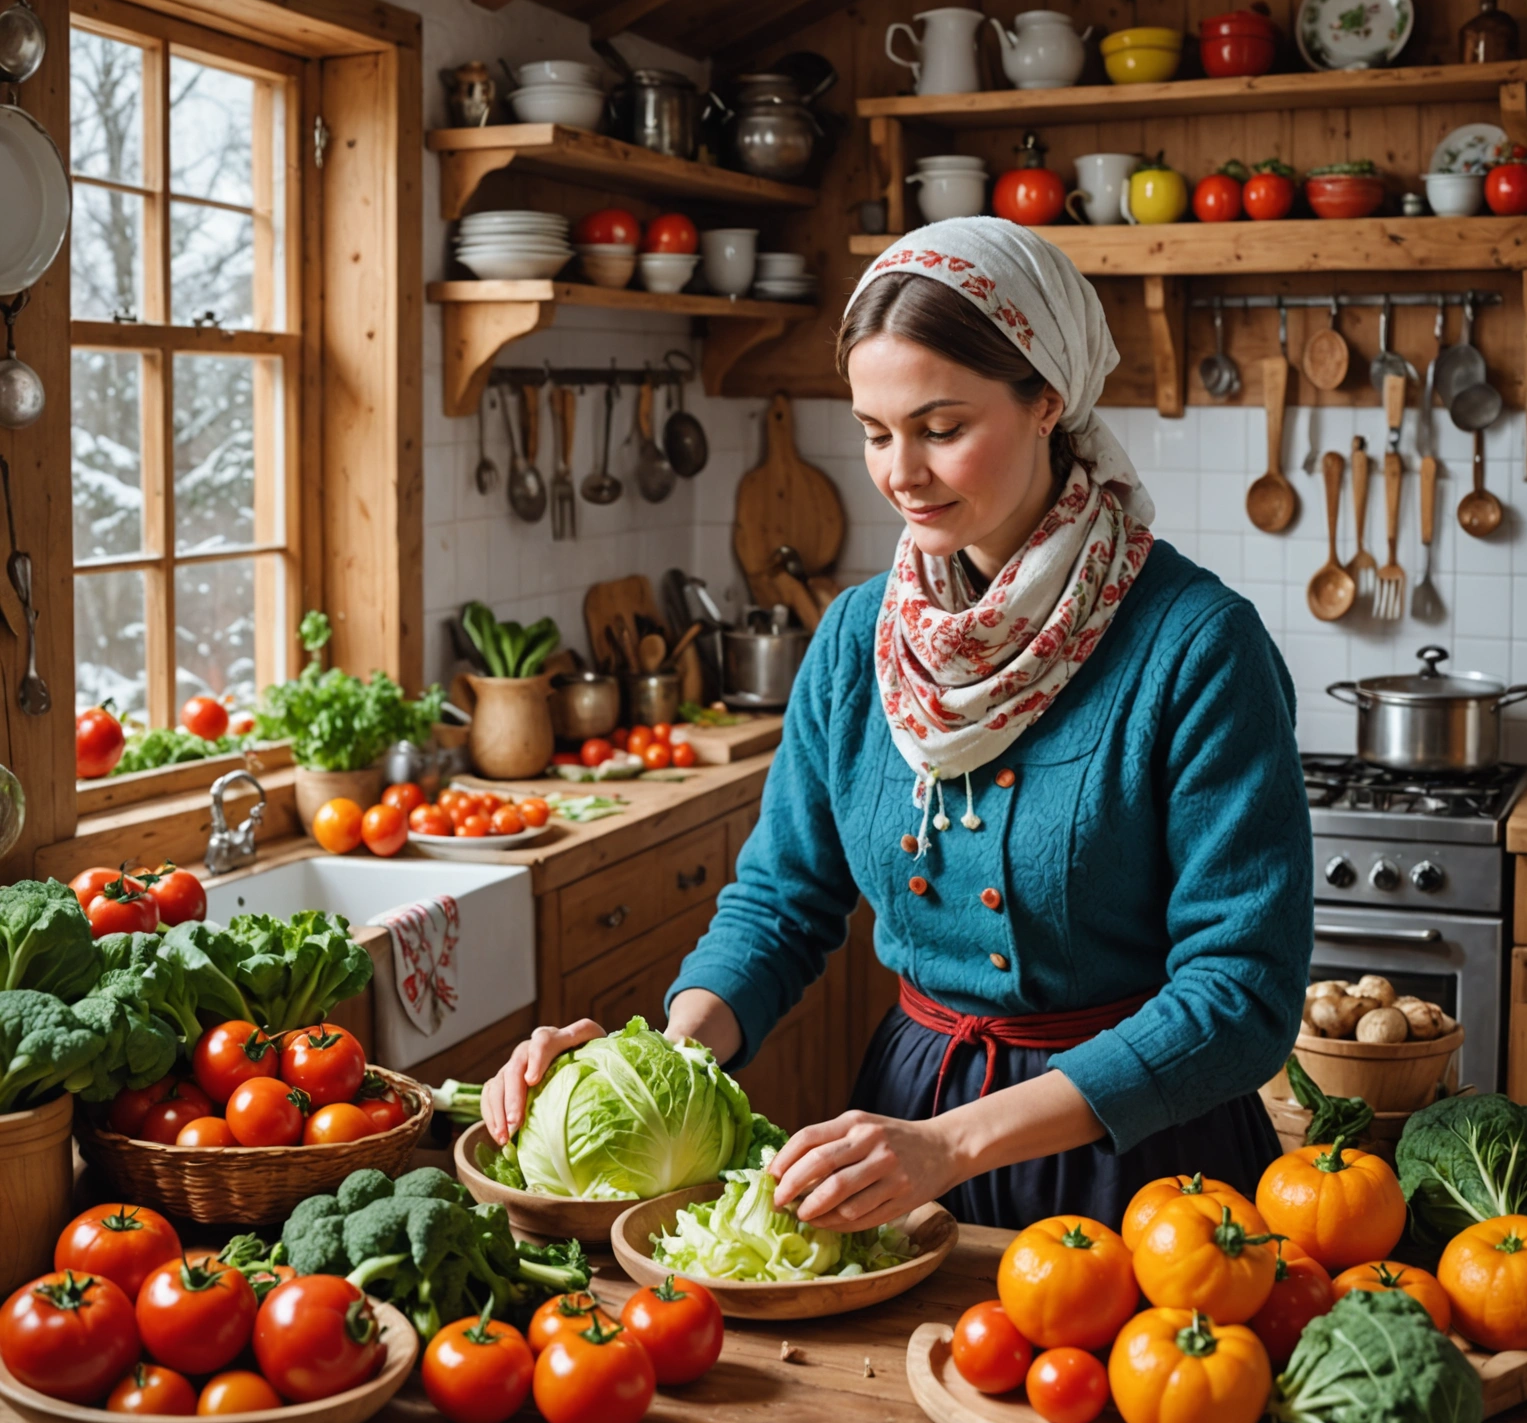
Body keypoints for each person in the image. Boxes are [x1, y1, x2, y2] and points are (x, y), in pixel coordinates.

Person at [481, 218, 1312, 1235]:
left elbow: (1241, 997)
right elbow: (781, 903)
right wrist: (651, 1061)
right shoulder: (858, 638)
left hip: (1142, 1171)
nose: (900, 473)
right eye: (876, 432)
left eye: (941, 427)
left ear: (1048, 401)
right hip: (905, 1142)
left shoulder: (1197, 647)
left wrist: (955, 1142)